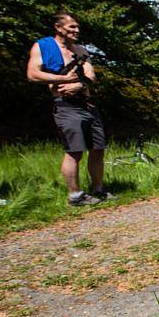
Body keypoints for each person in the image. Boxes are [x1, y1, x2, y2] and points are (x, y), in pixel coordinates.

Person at [26, 11, 114, 206]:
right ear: (58, 27)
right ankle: (75, 195)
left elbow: (91, 76)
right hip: (66, 106)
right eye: (72, 27)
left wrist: (79, 85)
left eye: (77, 27)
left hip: (88, 105)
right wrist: (62, 79)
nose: (77, 30)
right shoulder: (44, 46)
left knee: (98, 148)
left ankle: (98, 189)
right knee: (75, 150)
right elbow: (32, 74)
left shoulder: (81, 50)